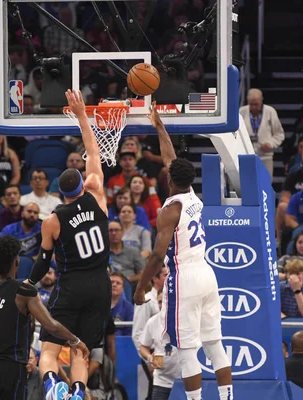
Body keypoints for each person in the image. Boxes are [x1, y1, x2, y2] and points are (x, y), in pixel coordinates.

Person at [134, 102, 233, 400]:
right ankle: (227, 397)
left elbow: (155, 256)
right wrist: (160, 127)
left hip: (184, 277)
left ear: (169, 179)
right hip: (207, 273)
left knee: (187, 349)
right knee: (215, 344)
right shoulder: (192, 195)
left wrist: (141, 289)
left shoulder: (169, 211)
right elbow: (170, 160)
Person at [24, 90, 111, 400]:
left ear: (60, 193)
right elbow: (94, 152)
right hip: (100, 285)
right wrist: (83, 116)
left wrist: (30, 281)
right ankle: (76, 392)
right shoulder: (98, 197)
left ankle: (51, 386)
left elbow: (44, 260)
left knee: (49, 350)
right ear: (83, 185)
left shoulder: (53, 219)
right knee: (81, 352)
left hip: (71, 286)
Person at [0, 235, 89, 400]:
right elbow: (52, 326)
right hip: (10, 368)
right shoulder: (24, 292)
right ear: (16, 261)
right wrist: (74, 339)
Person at [139, 290, 182, 400]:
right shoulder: (152, 322)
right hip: (161, 380)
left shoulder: (187, 320)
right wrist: (149, 357)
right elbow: (143, 347)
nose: (162, 305)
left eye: (166, 301)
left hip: (185, 379)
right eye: (159, 302)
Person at [239, 88, 285, 177]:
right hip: (246, 156)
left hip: (265, 156)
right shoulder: (242, 111)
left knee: (265, 185)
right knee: (246, 183)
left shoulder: (270, 111)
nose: (254, 107)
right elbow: (236, 133)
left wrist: (270, 144)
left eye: (256, 104)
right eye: (251, 104)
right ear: (247, 101)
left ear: (261, 101)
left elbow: (279, 134)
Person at [110, 272, 134, 336]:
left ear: (123, 288)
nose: (114, 285)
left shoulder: (129, 308)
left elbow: (129, 332)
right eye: (112, 282)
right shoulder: (99, 305)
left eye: (118, 283)